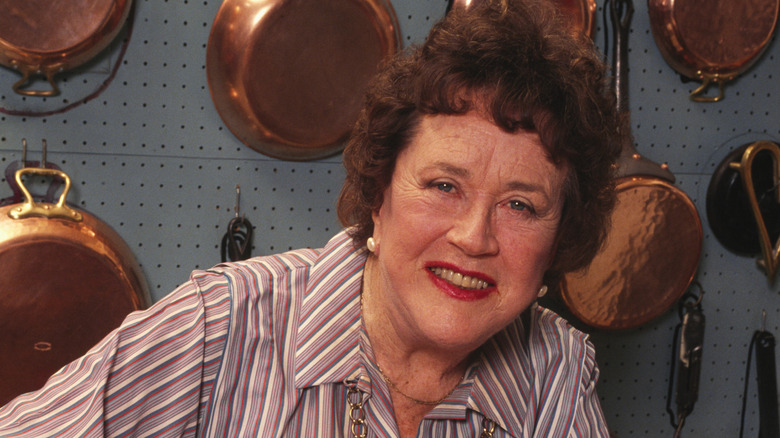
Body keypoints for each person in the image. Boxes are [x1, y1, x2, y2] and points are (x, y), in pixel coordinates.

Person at [0, 0, 623, 436]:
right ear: (379, 189)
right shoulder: (219, 330)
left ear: (560, 236)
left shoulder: (555, 373)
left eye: (521, 205)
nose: (473, 237)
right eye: (443, 185)